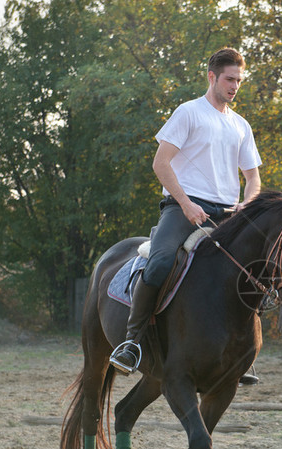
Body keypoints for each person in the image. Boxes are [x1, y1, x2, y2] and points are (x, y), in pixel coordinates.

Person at [110, 48, 262, 375]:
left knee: (255, 268)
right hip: (182, 210)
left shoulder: (241, 126)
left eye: (239, 80)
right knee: (161, 262)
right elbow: (160, 163)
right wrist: (186, 204)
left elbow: (253, 178)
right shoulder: (188, 113)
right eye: (229, 79)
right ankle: (132, 342)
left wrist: (246, 204)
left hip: (226, 216)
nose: (235, 86)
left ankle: (242, 350)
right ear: (212, 77)